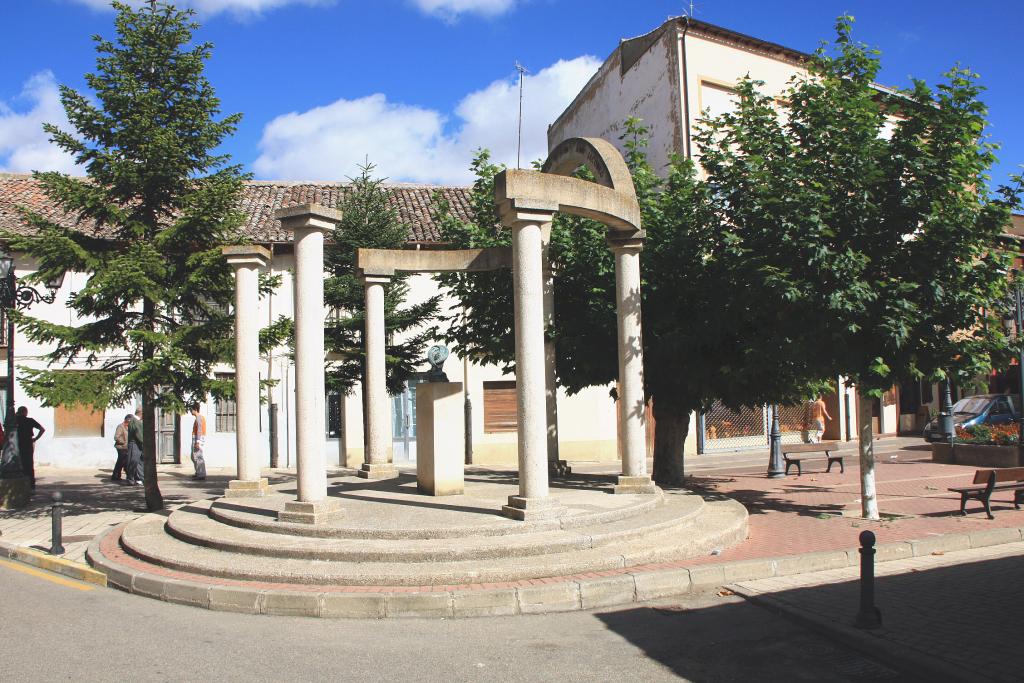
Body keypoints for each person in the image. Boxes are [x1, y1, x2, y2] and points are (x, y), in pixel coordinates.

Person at [15, 406, 45, 489]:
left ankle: (21, 484)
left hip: (18, 443)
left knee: (19, 463)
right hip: (28, 443)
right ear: (25, 412)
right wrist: (35, 439)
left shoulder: (14, 420)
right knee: (29, 463)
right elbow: (42, 429)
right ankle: (31, 484)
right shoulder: (30, 421)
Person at [126, 407, 144, 486]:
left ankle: (141, 478)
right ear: (140, 413)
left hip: (138, 443)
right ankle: (130, 479)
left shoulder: (138, 421)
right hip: (135, 444)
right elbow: (138, 434)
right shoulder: (134, 421)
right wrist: (144, 442)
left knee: (139, 462)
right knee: (133, 461)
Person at [111, 414, 131, 482]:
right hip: (121, 447)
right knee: (121, 461)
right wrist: (123, 442)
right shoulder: (120, 427)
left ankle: (116, 475)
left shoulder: (128, 427)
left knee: (122, 461)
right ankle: (116, 475)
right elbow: (116, 437)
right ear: (127, 420)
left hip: (126, 447)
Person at [189, 404, 206, 481]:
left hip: (197, 437)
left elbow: (199, 429)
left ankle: (201, 474)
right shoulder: (198, 417)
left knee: (198, 456)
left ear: (195, 409)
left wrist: (197, 441)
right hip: (196, 437)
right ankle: (198, 472)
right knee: (194, 456)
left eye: (191, 410)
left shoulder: (199, 417)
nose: (190, 411)